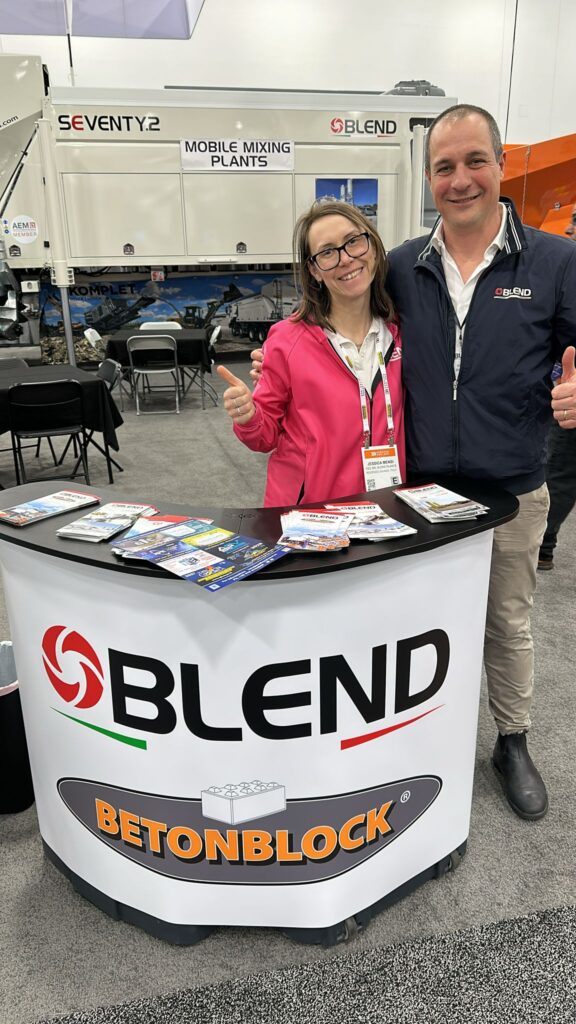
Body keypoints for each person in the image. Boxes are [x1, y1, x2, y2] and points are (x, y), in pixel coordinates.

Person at [250, 105, 576, 822]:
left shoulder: (555, 262)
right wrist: (273, 369)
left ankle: (512, 741)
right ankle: (412, 739)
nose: (460, 180)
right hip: (414, 498)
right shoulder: (400, 264)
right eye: (443, 166)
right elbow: (341, 324)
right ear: (428, 178)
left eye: (475, 161)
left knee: (506, 622)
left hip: (513, 489)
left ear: (501, 165)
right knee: (412, 628)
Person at [217, 200, 405, 507]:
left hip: (383, 509)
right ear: (314, 270)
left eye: (353, 241)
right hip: (311, 515)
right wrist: (248, 416)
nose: (346, 258)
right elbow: (264, 436)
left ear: (372, 245)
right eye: (327, 252)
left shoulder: (401, 334)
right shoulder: (287, 340)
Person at [538, 203, 576, 570]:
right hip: (560, 389)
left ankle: (544, 544)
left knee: (560, 471)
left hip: (567, 399)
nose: (568, 230)